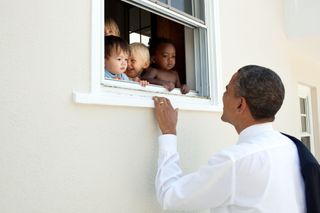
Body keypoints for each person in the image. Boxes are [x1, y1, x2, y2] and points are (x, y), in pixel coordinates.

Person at [152, 65, 305, 212]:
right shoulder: (291, 146)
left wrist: (168, 132)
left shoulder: (235, 161)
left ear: (240, 104)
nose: (223, 96)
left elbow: (169, 196)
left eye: (227, 90)